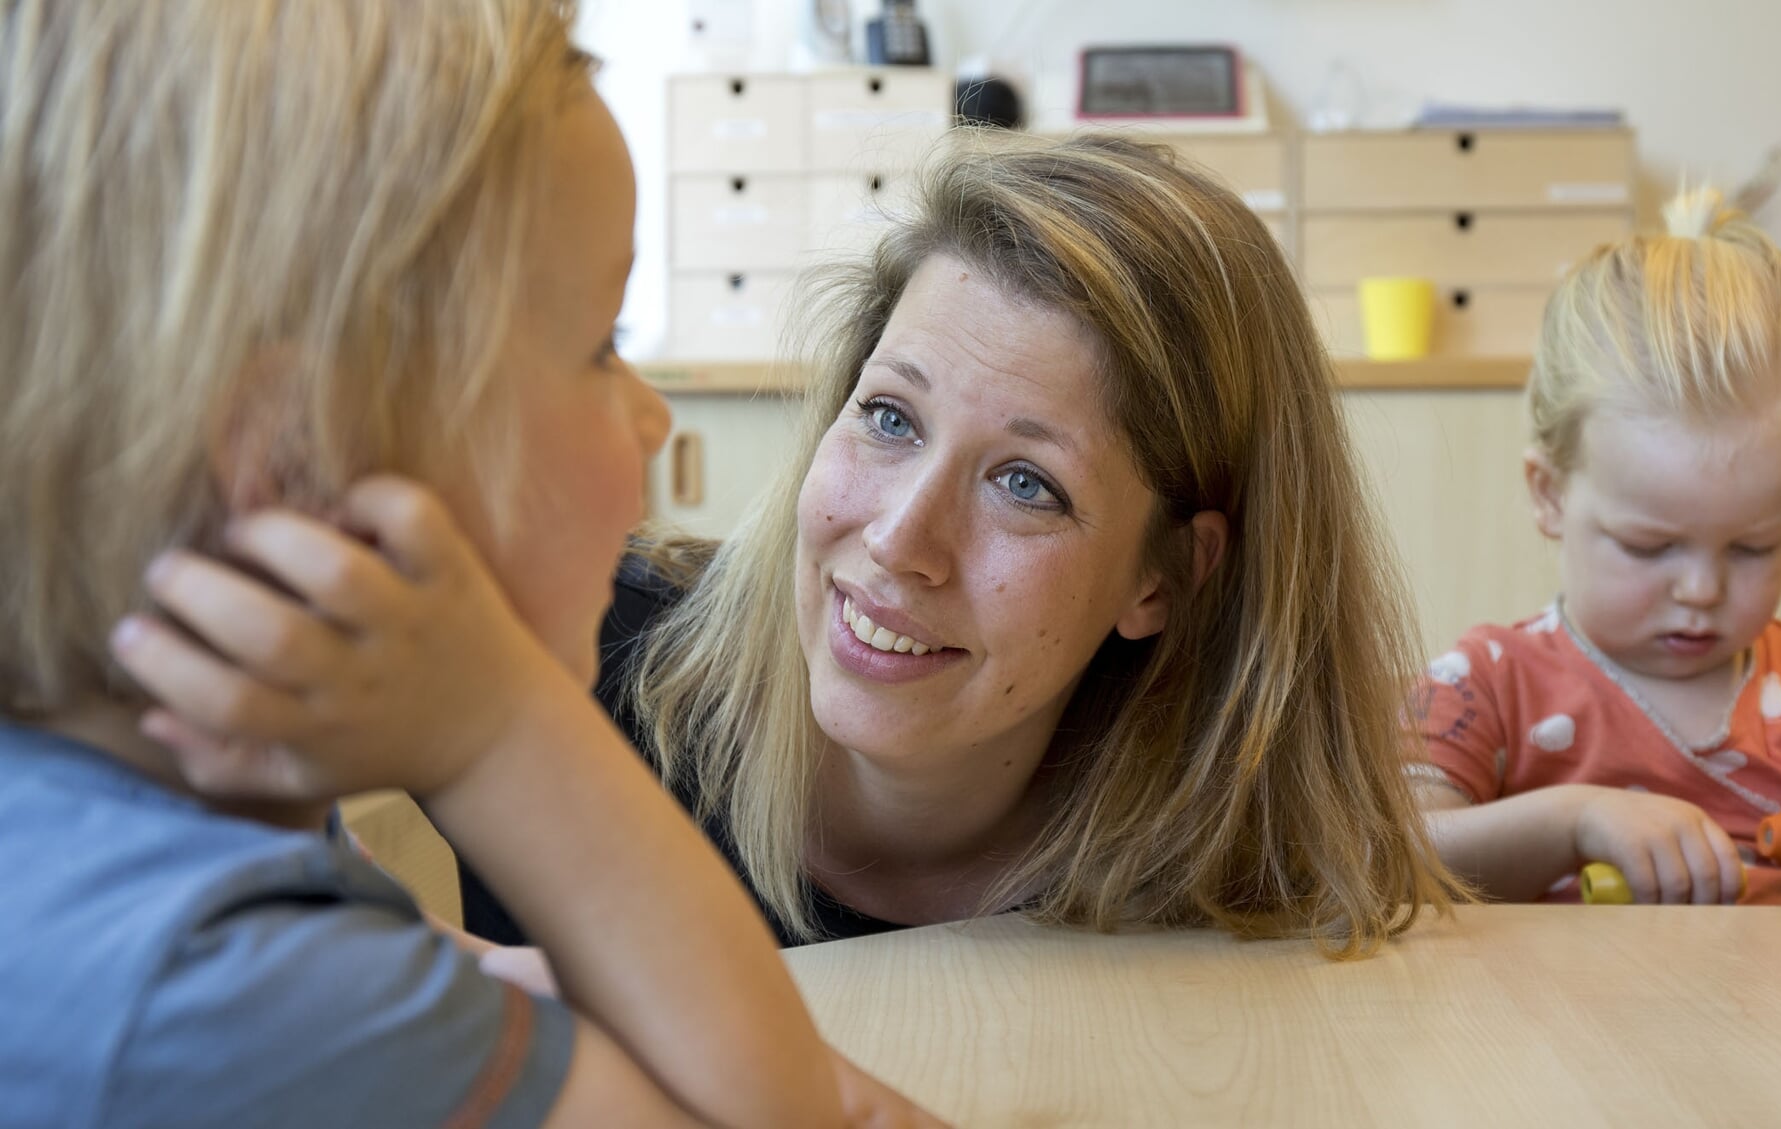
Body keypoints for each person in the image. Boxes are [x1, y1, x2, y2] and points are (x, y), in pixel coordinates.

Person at [0, 2, 938, 1125]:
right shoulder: (225, 997)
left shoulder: (146, 814)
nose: (647, 417)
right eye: (601, 346)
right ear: (300, 462)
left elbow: (437, 974)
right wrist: (501, 735)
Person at [464, 131, 1467, 953]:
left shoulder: (1213, 859)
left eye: (1025, 485)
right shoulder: (557, 662)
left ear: (1165, 580)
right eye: (890, 418)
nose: (902, 540)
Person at [1412, 188, 1781, 906]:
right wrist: (1573, 819)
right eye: (1648, 546)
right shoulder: (1485, 685)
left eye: (1753, 546)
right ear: (1549, 493)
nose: (1701, 590)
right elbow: (1382, 854)